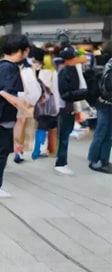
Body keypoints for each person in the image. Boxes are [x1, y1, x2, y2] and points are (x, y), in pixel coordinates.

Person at [0, 34, 29, 198]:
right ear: (21, 51)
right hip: (3, 116)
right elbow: (5, 91)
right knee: (1, 151)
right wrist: (22, 106)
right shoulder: (10, 68)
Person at [56, 46, 89, 175]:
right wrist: (82, 93)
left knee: (66, 133)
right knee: (64, 136)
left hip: (71, 106)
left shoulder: (73, 69)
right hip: (65, 108)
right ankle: (60, 163)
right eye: (75, 57)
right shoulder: (65, 72)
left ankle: (62, 162)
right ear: (69, 60)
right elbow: (64, 94)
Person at [87, 55, 112, 173]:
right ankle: (94, 160)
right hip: (104, 104)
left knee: (108, 135)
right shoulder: (110, 66)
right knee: (101, 133)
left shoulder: (108, 64)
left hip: (107, 103)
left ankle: (104, 160)